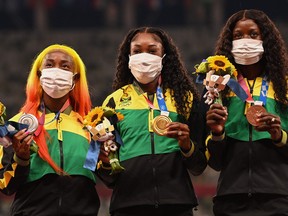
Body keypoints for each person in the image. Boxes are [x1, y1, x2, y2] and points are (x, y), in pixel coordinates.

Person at [97, 26, 207, 216]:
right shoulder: (112, 102)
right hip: (128, 206)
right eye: (137, 51)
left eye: (152, 50)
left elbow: (198, 166)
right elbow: (107, 178)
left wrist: (186, 145)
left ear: (164, 56)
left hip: (176, 205)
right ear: (128, 57)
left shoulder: (185, 99)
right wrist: (105, 162)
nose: (144, 56)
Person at [0, 44, 101, 215]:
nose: (56, 71)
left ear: (75, 79)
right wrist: (21, 158)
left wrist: (106, 159)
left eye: (65, 66)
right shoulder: (15, 126)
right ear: (39, 75)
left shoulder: (91, 127)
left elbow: (99, 175)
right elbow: (6, 185)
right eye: (49, 64)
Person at [205, 9, 288, 215]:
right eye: (237, 36)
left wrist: (279, 136)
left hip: (278, 199)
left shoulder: (284, 88)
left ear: (265, 39)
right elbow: (214, 162)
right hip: (230, 199)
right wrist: (217, 134)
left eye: (253, 34)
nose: (245, 41)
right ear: (229, 43)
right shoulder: (216, 90)